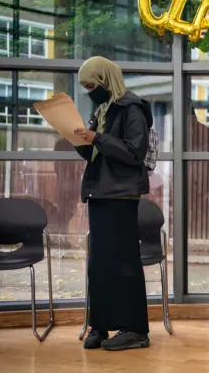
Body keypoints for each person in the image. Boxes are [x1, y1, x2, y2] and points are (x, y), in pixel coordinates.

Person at [73, 56, 152, 351]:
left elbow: (135, 152)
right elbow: (96, 153)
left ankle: (135, 329)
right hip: (100, 193)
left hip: (121, 195)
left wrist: (98, 138)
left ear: (106, 81)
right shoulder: (103, 108)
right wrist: (81, 139)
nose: (90, 90)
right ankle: (101, 323)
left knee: (123, 263)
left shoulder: (132, 108)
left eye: (92, 84)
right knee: (100, 264)